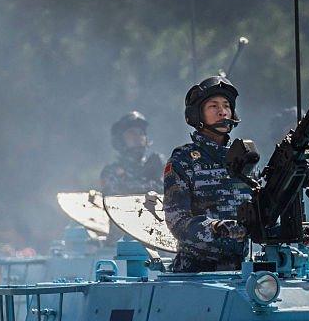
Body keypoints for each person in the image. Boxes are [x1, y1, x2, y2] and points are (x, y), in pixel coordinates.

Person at [163, 76, 252, 272]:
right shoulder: (183, 160)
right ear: (198, 114)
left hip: (242, 271)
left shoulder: (244, 159)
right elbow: (177, 221)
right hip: (194, 274)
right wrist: (215, 227)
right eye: (213, 106)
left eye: (226, 105)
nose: (222, 111)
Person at [100, 111, 162, 195]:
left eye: (141, 133)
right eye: (131, 133)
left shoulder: (156, 165)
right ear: (121, 140)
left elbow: (172, 191)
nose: (138, 137)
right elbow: (114, 193)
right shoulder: (111, 171)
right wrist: (151, 186)